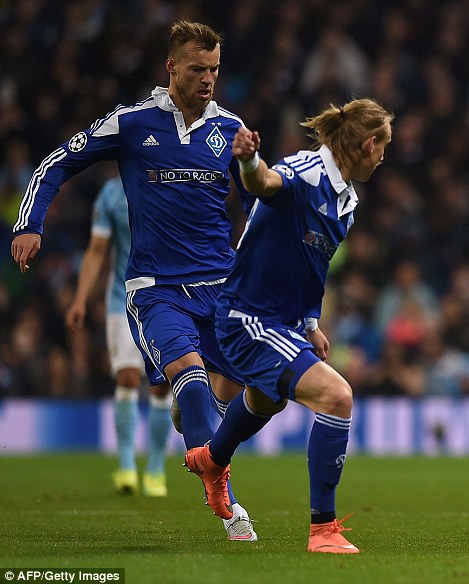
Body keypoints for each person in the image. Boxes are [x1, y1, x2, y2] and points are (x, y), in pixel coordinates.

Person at [11, 21, 257, 541]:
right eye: (197, 69)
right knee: (189, 374)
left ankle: (202, 429)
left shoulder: (231, 130)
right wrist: (30, 223)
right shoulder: (131, 123)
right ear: (172, 67)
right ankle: (226, 500)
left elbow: (262, 205)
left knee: (247, 390)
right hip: (157, 288)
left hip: (222, 287)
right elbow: (57, 162)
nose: (208, 79)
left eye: (214, 69)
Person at [183, 98, 393, 553]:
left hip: (283, 320)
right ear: (370, 143)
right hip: (246, 318)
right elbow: (265, 182)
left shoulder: (346, 201)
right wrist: (248, 161)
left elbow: (311, 266)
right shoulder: (306, 172)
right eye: (383, 148)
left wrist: (311, 322)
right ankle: (323, 530)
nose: (382, 158)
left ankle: (212, 459)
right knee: (337, 396)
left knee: (267, 399)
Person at [65, 175, 172, 497]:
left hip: (167, 300)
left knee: (162, 384)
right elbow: (97, 249)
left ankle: (155, 469)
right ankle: (126, 465)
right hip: (122, 299)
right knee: (127, 376)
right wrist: (81, 299)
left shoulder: (168, 181)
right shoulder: (111, 193)